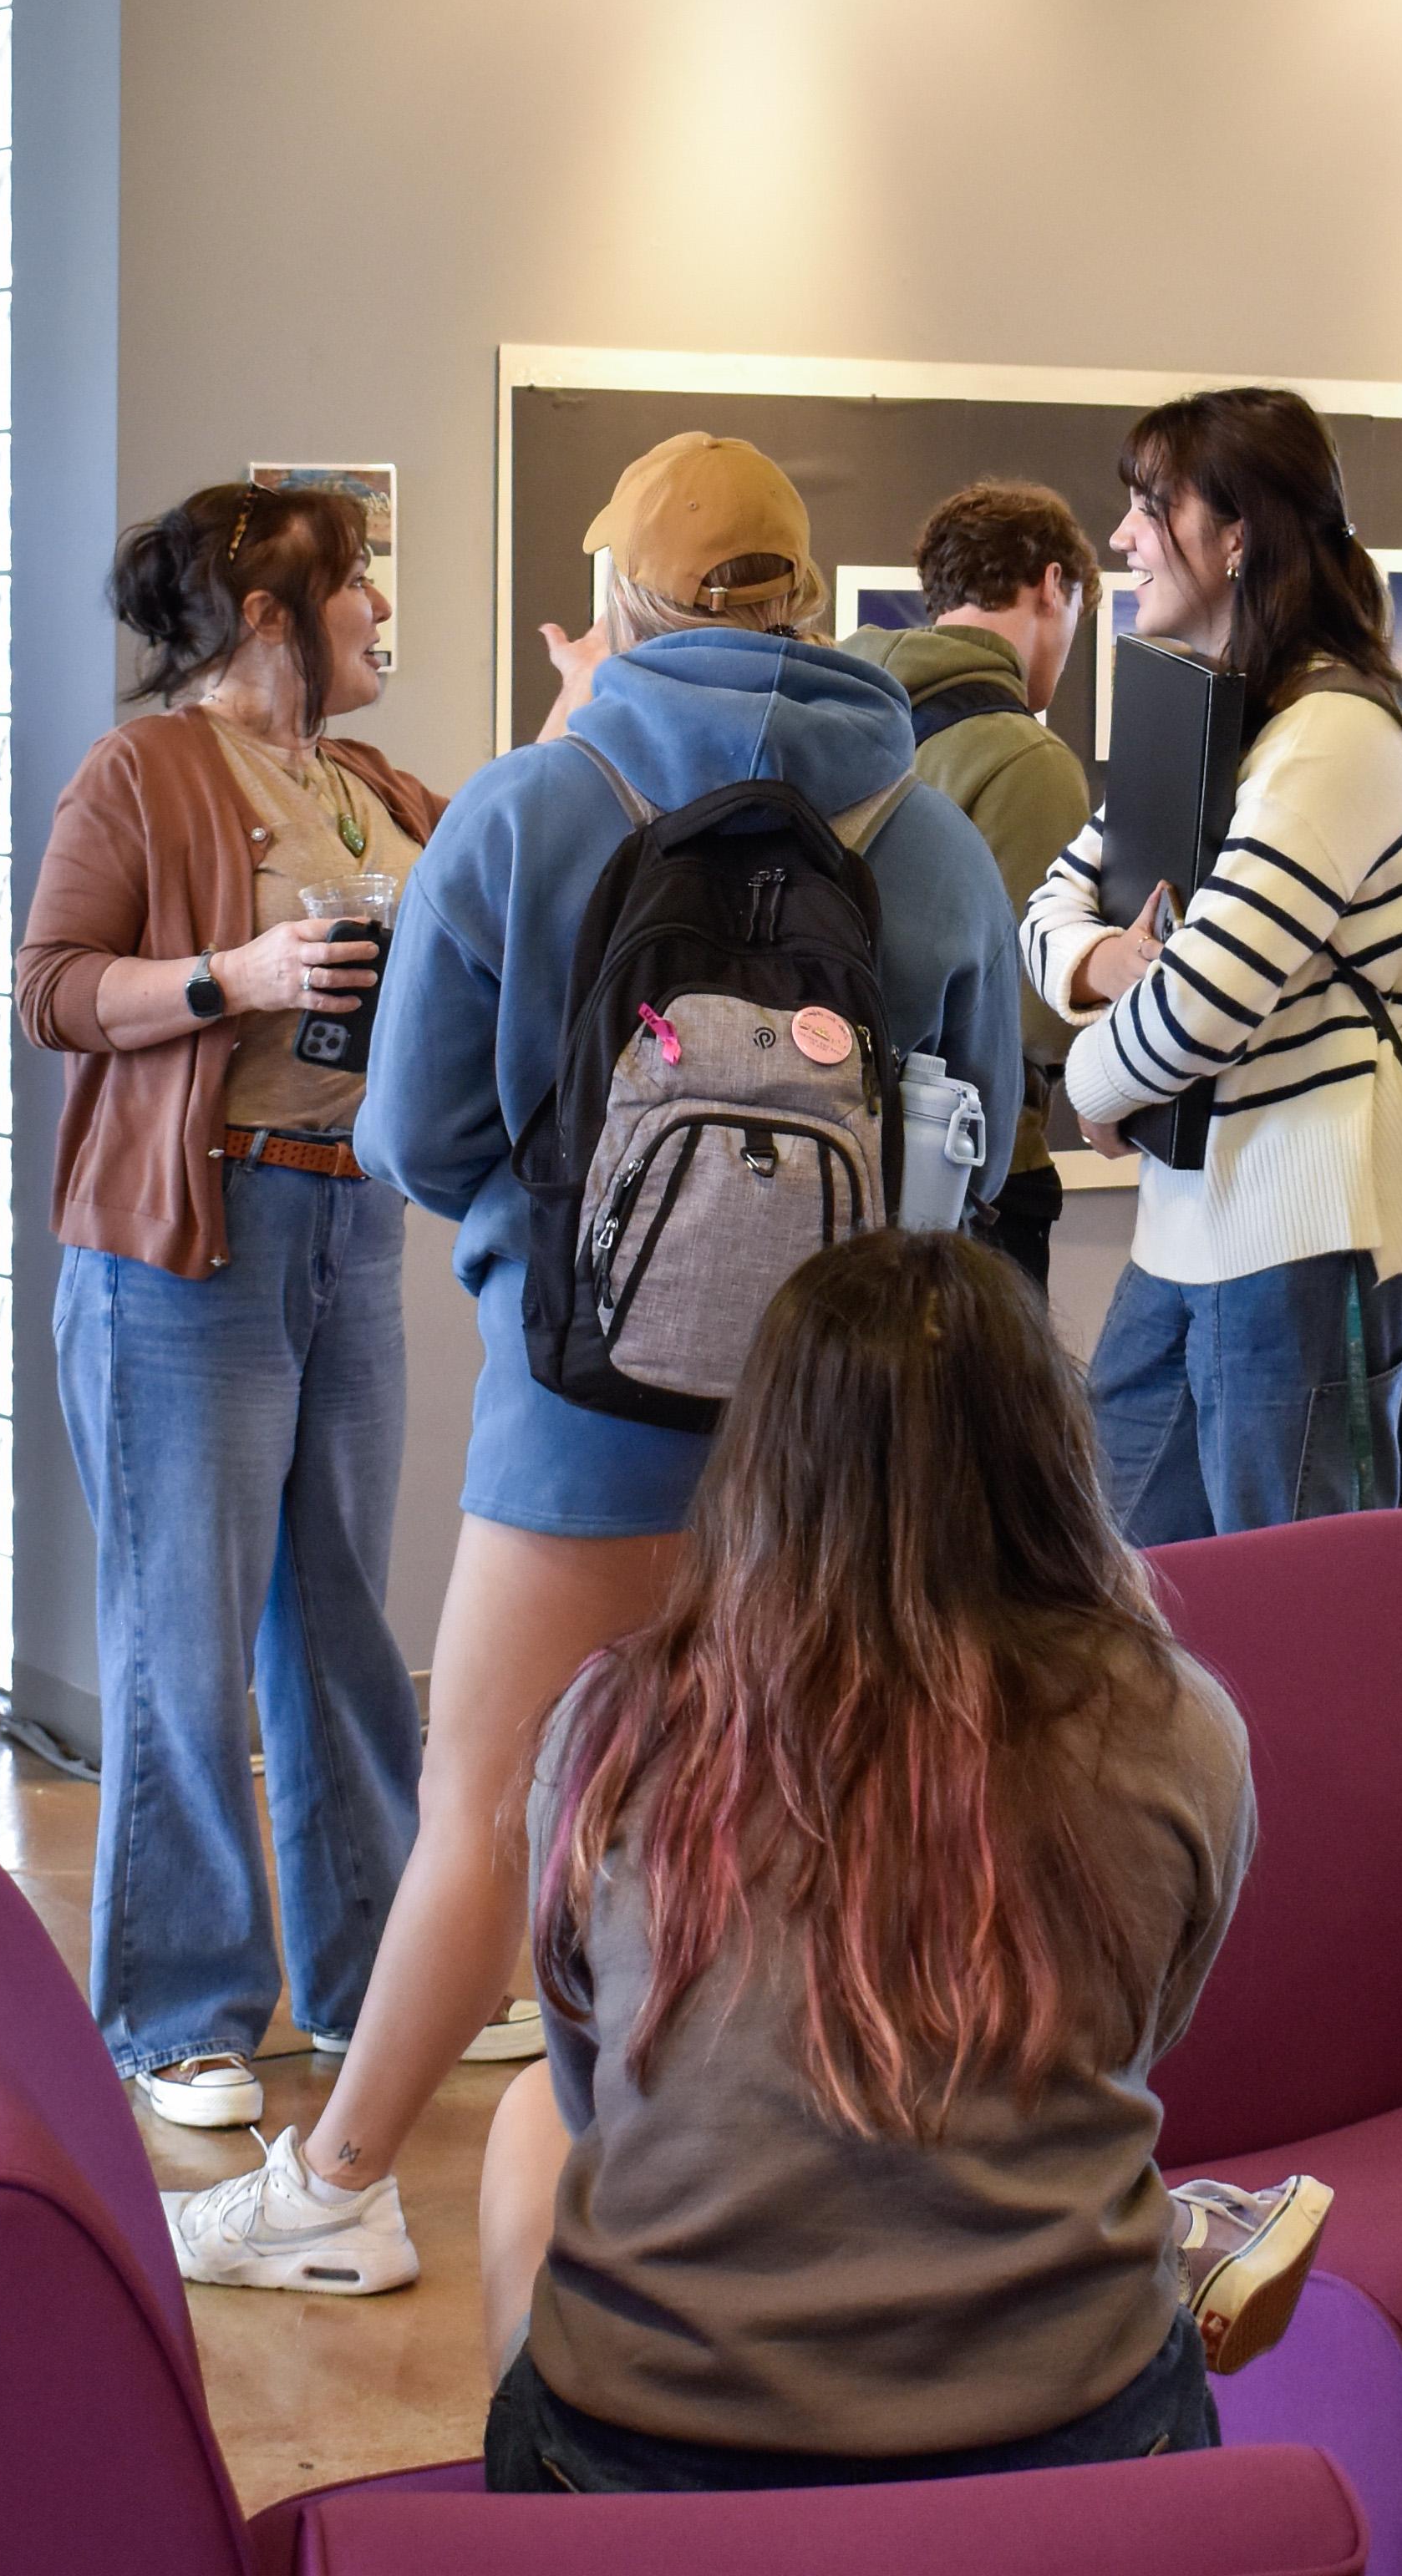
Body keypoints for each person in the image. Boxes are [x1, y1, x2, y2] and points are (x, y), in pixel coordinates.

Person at [175, 434, 1021, 2302]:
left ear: (622, 597)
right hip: (851, 1440)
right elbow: (985, 1144)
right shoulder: (934, 828)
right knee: (827, 1818)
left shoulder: (530, 803)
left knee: (495, 1807)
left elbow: (409, 1127)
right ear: (811, 593)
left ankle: (338, 2184)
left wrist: (550, 1257)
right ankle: (819, 2211)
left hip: (585, 1416)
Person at [478, 1232, 1292, 2491]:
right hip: (1075, 2437)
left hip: (650, 2455)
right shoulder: (1179, 1722)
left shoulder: (615, 1720)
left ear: (760, 1456)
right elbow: (1140, 2025)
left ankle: (550, 2535)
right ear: (1049, 1452)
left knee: (530, 2111)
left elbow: (598, 2072)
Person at [12, 480, 448, 2137]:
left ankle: (363, 1985)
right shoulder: (142, 771)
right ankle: (182, 2010)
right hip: (188, 1248)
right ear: (273, 611)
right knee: (181, 1639)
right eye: (359, 591)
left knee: (344, 1619)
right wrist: (230, 980)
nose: (380, 617)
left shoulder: (373, 783)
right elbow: (53, 982)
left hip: (355, 1228)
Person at [1025, 391, 1402, 1544]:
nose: (1119, 538)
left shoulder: (1333, 736)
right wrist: (1109, 963)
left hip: (1307, 1240)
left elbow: (1206, 1008)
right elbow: (1049, 905)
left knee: (1304, 1630)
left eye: (1149, 507)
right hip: (1194, 1228)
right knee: (1127, 1584)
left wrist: (1088, 1088)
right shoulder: (1225, 722)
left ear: (1237, 535)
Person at [846, 479, 1097, 1292]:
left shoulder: (832, 708)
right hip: (967, 1172)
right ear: (1052, 586)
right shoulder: (1027, 757)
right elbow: (1040, 1017)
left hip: (829, 1146)